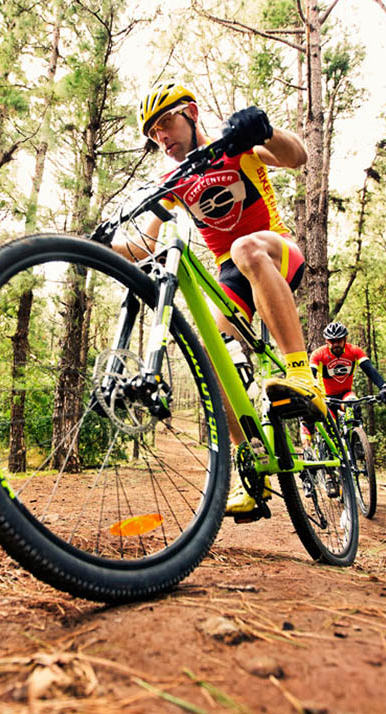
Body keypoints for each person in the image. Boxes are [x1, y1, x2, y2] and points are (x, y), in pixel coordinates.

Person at [111, 81, 326, 517]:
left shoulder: (234, 146)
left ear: (191, 113)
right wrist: (98, 246)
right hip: (231, 275)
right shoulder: (171, 180)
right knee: (210, 355)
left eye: (166, 124)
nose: (162, 138)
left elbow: (297, 157)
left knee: (246, 248)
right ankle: (253, 468)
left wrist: (263, 131)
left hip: (274, 251)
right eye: (153, 134)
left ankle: (303, 375)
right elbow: (143, 246)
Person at [310, 321, 386, 415]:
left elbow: (369, 369)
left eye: (339, 340)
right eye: (332, 341)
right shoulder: (318, 354)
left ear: (345, 339)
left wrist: (383, 387)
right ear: (326, 341)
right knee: (329, 426)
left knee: (354, 408)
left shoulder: (354, 351)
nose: (336, 344)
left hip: (346, 394)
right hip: (326, 398)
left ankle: (356, 429)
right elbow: (310, 374)